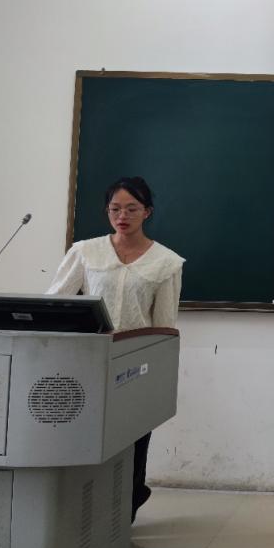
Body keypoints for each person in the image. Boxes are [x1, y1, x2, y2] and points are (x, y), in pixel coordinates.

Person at [47, 176, 184, 522]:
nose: (122, 216)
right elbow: (55, 303)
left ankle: (127, 511)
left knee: (134, 442)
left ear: (147, 212)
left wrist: (159, 374)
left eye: (132, 209)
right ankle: (83, 514)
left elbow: (164, 325)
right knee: (88, 440)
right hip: (88, 364)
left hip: (136, 365)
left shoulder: (166, 262)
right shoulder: (85, 252)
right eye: (115, 209)